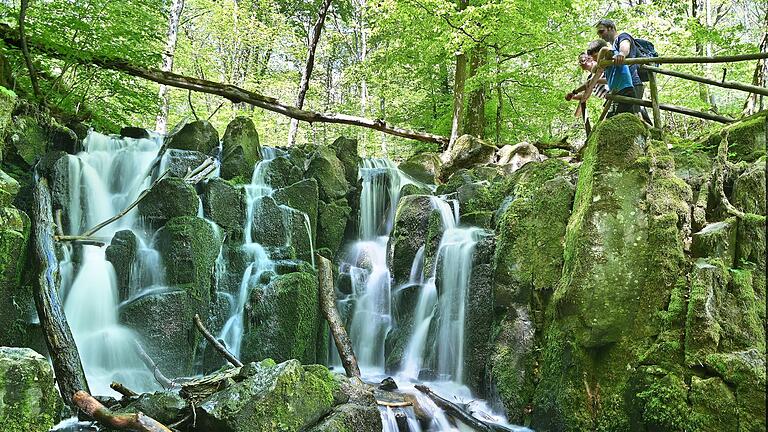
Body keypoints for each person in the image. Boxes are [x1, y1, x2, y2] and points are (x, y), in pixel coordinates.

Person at [595, 19, 653, 124]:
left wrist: (622, 53)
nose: (600, 35)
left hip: (632, 84)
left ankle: (652, 136)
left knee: (632, 119)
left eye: (601, 31)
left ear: (611, 28)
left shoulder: (622, 37)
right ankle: (650, 134)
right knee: (630, 117)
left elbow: (625, 45)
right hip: (623, 87)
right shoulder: (612, 47)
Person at [587, 39, 637, 118]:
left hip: (625, 90)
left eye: (595, 56)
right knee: (612, 118)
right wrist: (599, 65)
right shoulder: (607, 65)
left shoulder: (613, 55)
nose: (595, 60)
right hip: (616, 92)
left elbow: (604, 49)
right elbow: (594, 70)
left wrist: (599, 62)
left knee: (620, 118)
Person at [566, 52, 609, 134]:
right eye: (580, 62)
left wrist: (574, 92)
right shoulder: (590, 77)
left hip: (616, 93)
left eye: (582, 60)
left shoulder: (601, 66)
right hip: (608, 100)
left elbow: (591, 83)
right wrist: (572, 96)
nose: (581, 64)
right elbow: (585, 94)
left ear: (590, 58)